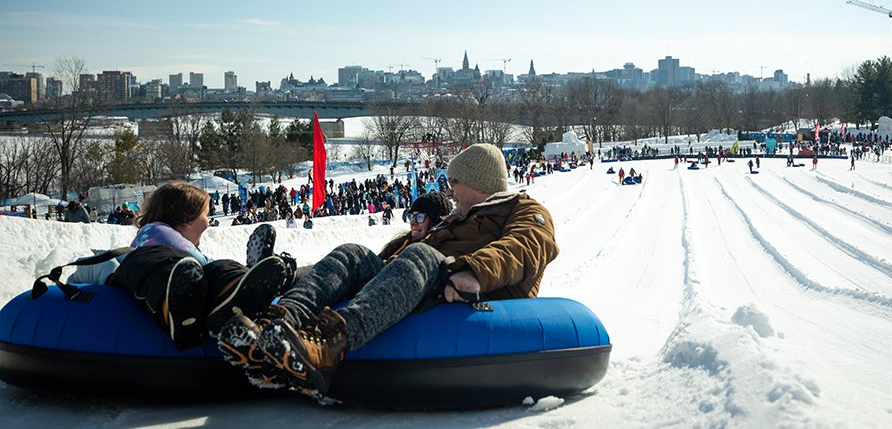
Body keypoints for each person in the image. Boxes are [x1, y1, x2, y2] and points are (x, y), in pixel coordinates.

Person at [217, 143, 558, 400]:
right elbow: (397, 258)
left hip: (467, 290)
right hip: (418, 280)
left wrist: (475, 271)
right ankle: (273, 330)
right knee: (352, 254)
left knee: (421, 255)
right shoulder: (456, 217)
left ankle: (327, 347)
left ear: (478, 181)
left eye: (455, 180)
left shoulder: (523, 209)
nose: (449, 187)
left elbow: (528, 246)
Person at [110, 181, 293, 351]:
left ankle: (243, 285)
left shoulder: (149, 244)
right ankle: (243, 284)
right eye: (205, 214)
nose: (208, 221)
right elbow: (201, 266)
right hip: (171, 289)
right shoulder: (154, 247)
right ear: (186, 217)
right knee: (212, 270)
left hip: (186, 287)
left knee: (216, 269)